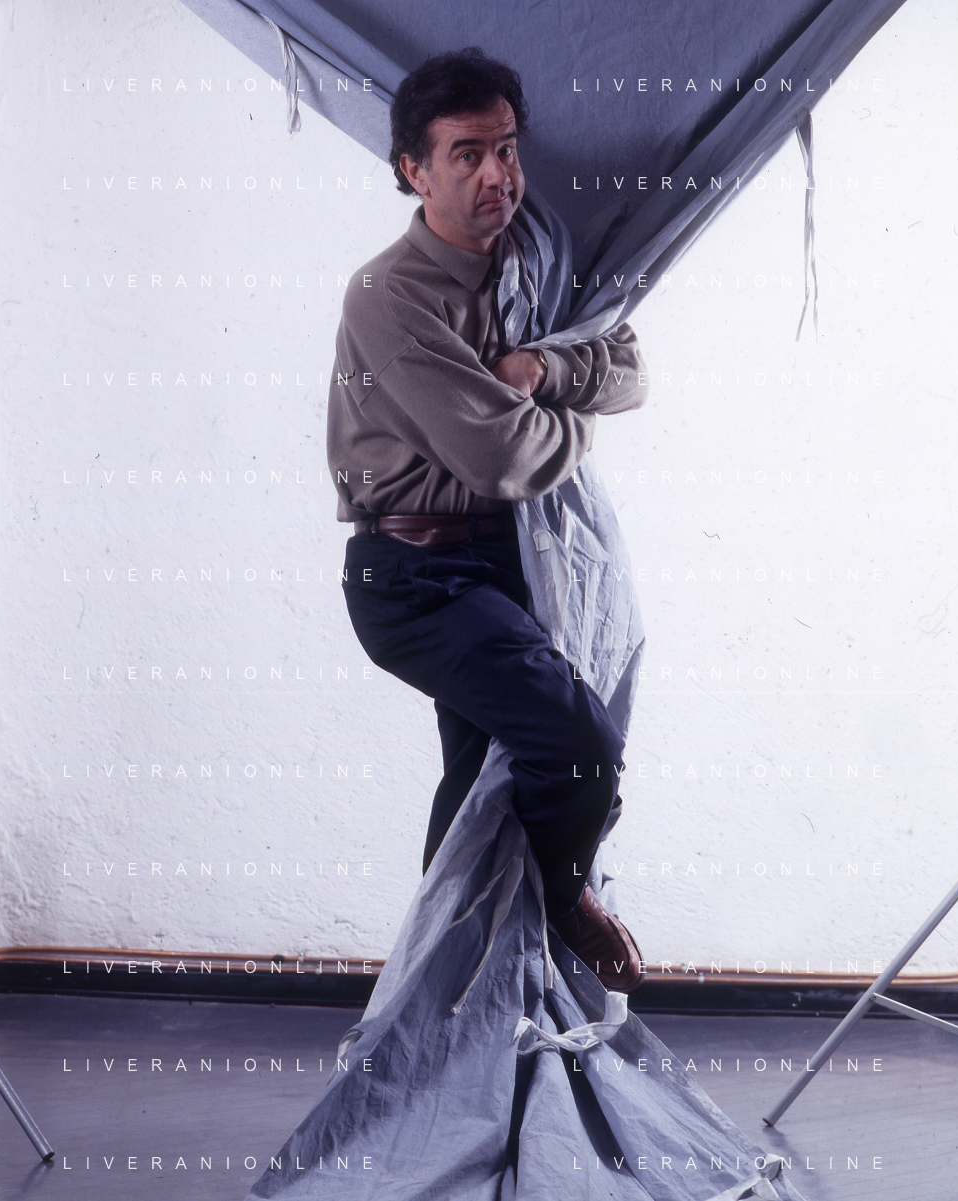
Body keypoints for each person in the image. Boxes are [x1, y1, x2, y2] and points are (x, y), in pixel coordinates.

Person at [327, 48, 649, 992]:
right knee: (580, 748)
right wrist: (578, 417)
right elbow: (501, 459)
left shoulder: (541, 258)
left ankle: (442, 1016)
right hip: (415, 580)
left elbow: (631, 368)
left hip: (514, 564)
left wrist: (542, 370)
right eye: (465, 155)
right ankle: (563, 899)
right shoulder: (388, 294)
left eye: (505, 149)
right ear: (414, 170)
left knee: (481, 798)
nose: (496, 176)